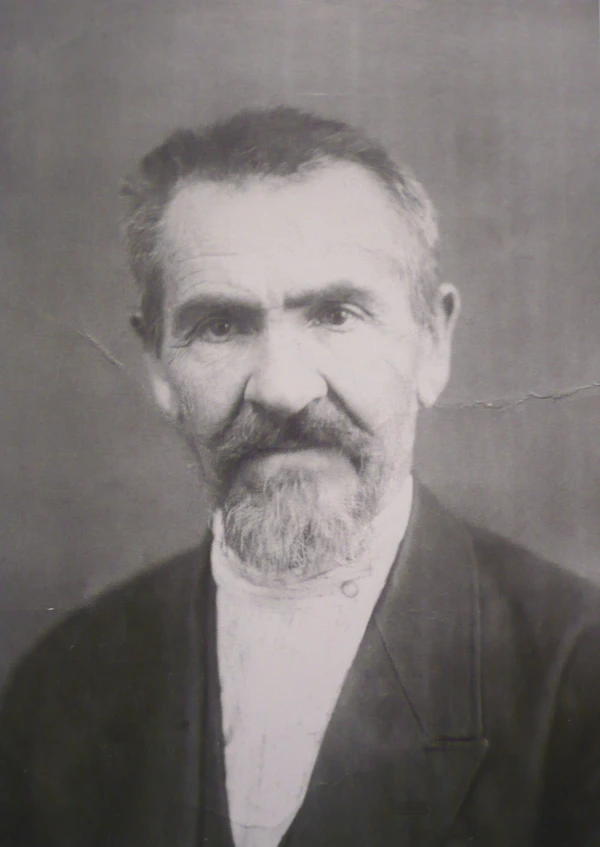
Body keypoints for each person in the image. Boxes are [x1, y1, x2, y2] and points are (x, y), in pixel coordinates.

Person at [0, 106, 599, 847]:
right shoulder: (60, 687)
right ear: (157, 366)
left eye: (337, 314)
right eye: (221, 325)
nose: (282, 388)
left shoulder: (581, 674)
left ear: (433, 343)